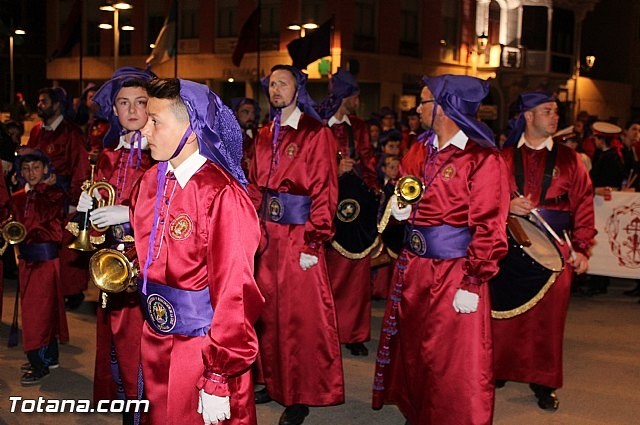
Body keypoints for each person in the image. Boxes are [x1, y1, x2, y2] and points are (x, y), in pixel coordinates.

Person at [372, 74, 510, 425]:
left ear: (446, 107)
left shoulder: (481, 158)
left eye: (424, 101)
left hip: (455, 272)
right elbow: (407, 185)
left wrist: (474, 281)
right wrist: (401, 207)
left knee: (452, 358)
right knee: (417, 349)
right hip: (415, 267)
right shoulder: (420, 148)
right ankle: (418, 412)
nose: (417, 108)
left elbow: (490, 226)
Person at [132, 78, 264, 425]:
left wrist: (219, 374)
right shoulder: (152, 181)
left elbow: (235, 292)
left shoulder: (221, 195)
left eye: (155, 120)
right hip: (155, 334)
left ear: (191, 130)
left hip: (201, 348)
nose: (144, 129)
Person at [248, 65, 344, 425]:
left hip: (299, 236)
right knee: (267, 313)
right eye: (271, 84)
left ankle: (300, 392)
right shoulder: (263, 133)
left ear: (297, 88)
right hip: (268, 236)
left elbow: (325, 190)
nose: (275, 89)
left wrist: (314, 240)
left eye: (282, 83)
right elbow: (256, 187)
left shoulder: (315, 133)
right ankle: (270, 380)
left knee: (300, 318)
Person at [494, 91, 596, 410]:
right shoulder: (502, 156)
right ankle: (497, 367)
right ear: (528, 116)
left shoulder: (570, 159)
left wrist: (581, 248)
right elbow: (482, 200)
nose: (555, 117)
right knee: (503, 313)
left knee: (549, 321)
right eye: (547, 111)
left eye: (555, 112)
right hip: (512, 243)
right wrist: (507, 204)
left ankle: (543, 381)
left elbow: (583, 204)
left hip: (555, 247)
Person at [73, 67, 155, 425]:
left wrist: (130, 213)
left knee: (140, 339)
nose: (133, 110)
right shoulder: (105, 157)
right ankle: (124, 405)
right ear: (115, 110)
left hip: (147, 261)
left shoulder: (159, 153)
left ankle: (142, 411)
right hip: (111, 261)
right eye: (124, 103)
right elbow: (89, 221)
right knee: (114, 338)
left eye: (140, 102)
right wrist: (85, 210)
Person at [317, 67, 377, 357]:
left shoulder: (359, 127)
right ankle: (324, 330)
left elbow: (369, 160)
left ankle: (353, 333)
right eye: (354, 95)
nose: (358, 100)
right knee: (326, 272)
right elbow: (308, 164)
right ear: (346, 96)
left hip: (354, 209)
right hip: (324, 207)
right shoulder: (317, 123)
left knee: (356, 273)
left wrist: (374, 190)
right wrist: (333, 168)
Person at [26, 87, 91, 308]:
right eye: (39, 101)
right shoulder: (37, 131)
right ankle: (49, 288)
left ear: (56, 105)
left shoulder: (71, 133)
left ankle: (73, 293)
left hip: (64, 198)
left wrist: (75, 201)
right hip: (42, 198)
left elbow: (81, 168)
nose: (39, 105)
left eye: (43, 101)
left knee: (67, 247)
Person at [12, 149, 69, 385]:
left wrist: (41, 191)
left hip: (45, 261)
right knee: (41, 311)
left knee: (38, 314)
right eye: (26, 169)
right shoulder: (19, 196)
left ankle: (39, 365)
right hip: (27, 260)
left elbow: (52, 229)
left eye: (36, 167)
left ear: (46, 169)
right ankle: (50, 357)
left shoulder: (53, 194)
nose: (31, 173)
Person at [230, 97, 259, 178]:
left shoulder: (259, 136)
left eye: (252, 113)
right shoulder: (227, 137)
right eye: (245, 112)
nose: (250, 117)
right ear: (236, 113)